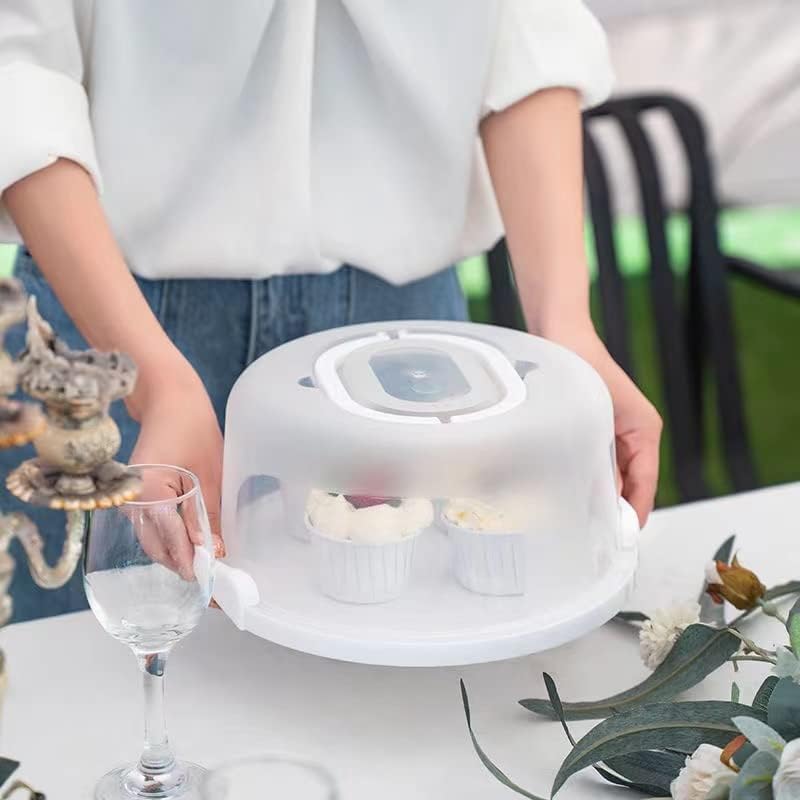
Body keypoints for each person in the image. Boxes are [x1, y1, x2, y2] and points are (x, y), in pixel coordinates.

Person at [0, 1, 662, 622]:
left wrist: (566, 330)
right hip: (111, 333)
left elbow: (524, 29)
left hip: (409, 336)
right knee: (95, 676)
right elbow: (18, 67)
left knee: (422, 681)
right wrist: (154, 382)